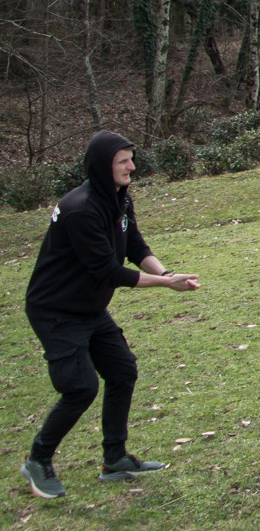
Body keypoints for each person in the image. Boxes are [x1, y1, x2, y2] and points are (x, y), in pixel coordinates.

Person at [21, 131, 199, 499]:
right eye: (123, 161)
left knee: (122, 370)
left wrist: (165, 273)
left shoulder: (117, 198)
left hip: (88, 306)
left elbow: (133, 244)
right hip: (56, 311)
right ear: (103, 166)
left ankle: (115, 458)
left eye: (131, 158)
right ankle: (38, 459)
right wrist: (165, 285)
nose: (132, 166)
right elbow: (108, 271)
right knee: (81, 386)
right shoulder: (81, 209)